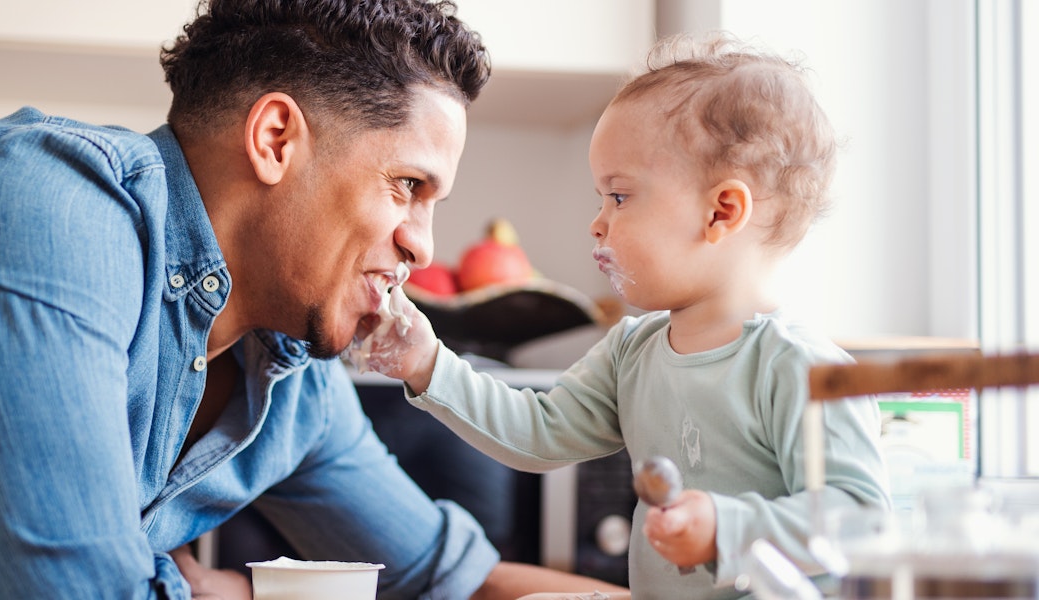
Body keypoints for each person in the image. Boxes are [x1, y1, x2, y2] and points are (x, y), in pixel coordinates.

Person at [0, 1, 627, 598]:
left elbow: (451, 581)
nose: (424, 245)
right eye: (407, 185)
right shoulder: (36, 201)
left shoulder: (290, 386)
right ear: (277, 137)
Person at [353, 32, 892, 599]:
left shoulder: (805, 370)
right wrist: (427, 363)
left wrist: (727, 528)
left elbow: (861, 522)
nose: (597, 222)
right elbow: (538, 433)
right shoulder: (632, 351)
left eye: (620, 197)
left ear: (721, 211)